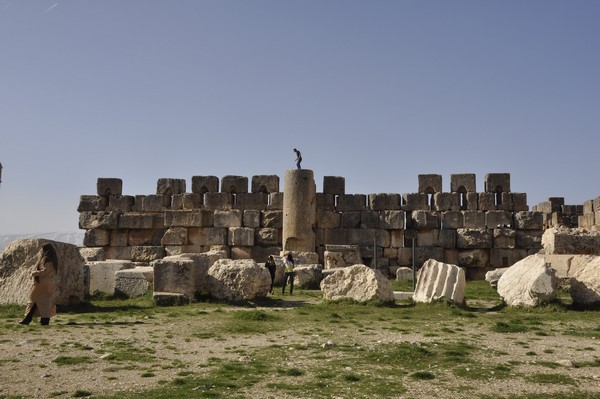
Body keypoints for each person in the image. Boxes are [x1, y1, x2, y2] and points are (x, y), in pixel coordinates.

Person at [19, 243, 58, 326]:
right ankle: (45, 319)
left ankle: (27, 318)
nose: (40, 251)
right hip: (50, 282)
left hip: (42, 282)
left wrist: (33, 273)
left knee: (33, 299)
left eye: (41, 249)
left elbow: (44, 271)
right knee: (45, 301)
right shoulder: (54, 260)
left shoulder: (46, 259)